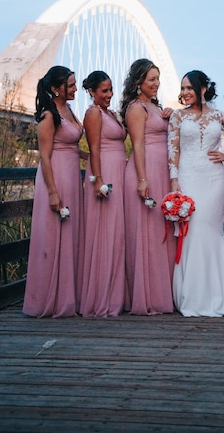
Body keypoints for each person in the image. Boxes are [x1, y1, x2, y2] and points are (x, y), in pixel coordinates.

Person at [167, 70, 224, 317]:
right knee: (193, 231)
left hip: (214, 179)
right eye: (183, 88)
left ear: (203, 89)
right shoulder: (177, 116)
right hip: (187, 177)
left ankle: (220, 295)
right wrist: (174, 180)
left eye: (189, 88)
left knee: (212, 232)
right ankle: (193, 296)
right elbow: (173, 150)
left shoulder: (220, 116)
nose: (185, 93)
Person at [23, 66, 84, 317]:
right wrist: (52, 192)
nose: (75, 89)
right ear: (55, 89)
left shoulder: (68, 109)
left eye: (74, 84)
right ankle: (49, 299)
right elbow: (45, 157)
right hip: (55, 176)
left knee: (70, 235)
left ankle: (68, 296)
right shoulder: (48, 116)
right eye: (70, 85)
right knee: (52, 237)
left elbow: (72, 146)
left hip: (72, 175)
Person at [120, 59, 176, 314]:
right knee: (148, 234)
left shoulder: (155, 107)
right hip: (146, 172)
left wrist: (170, 116)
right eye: (151, 79)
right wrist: (142, 179)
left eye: (157, 79)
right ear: (138, 82)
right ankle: (149, 296)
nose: (156, 84)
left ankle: (167, 291)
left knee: (162, 231)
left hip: (162, 171)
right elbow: (138, 144)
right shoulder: (136, 108)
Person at [78, 71, 127, 317]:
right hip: (105, 173)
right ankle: (101, 297)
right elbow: (94, 149)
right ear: (92, 92)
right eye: (104, 91)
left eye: (110, 90)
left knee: (117, 232)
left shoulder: (110, 113)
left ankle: (118, 293)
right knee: (105, 232)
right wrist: (97, 181)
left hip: (119, 170)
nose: (109, 95)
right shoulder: (93, 113)